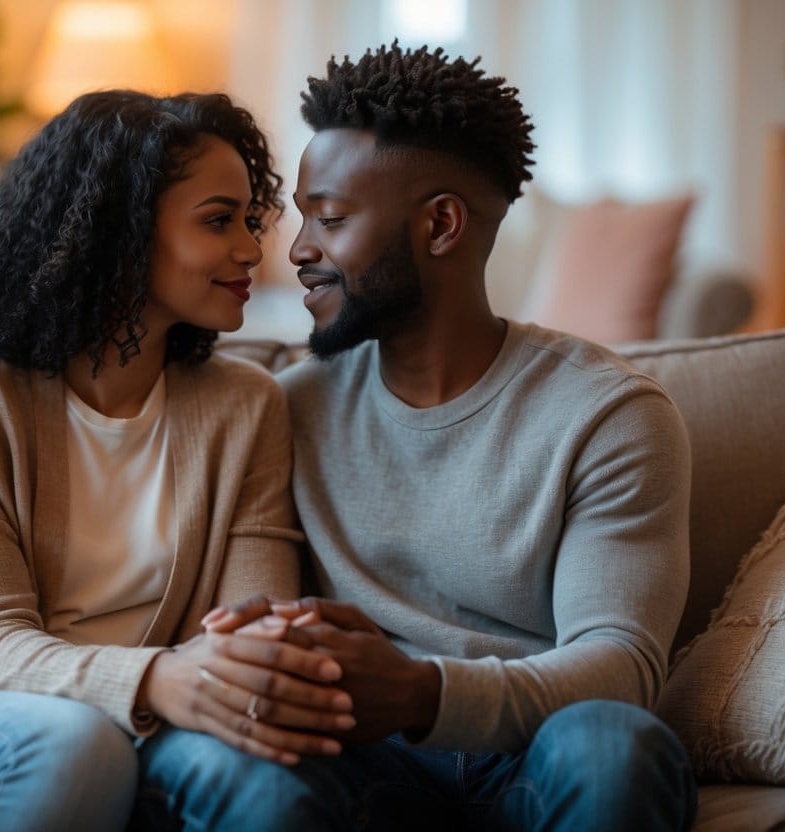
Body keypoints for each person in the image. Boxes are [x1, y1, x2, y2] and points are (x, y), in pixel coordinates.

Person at [133, 44, 698, 831]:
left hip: (529, 752)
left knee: (615, 745)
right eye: (300, 217)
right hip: (359, 759)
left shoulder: (607, 414)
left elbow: (621, 665)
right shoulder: (282, 406)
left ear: (439, 224)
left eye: (328, 218)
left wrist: (418, 690)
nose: (296, 250)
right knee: (235, 769)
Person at [0, 90, 357, 832]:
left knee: (269, 783)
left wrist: (260, 669)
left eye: (248, 220)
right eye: (219, 221)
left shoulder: (246, 405)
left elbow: (246, 623)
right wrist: (158, 676)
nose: (253, 250)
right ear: (119, 233)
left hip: (143, 723)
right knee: (74, 744)